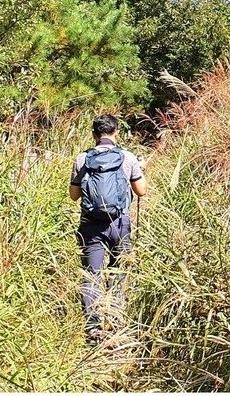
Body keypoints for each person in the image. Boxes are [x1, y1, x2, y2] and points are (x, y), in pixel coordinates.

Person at [69, 114, 146, 342]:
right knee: (118, 274)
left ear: (94, 135)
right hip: (120, 224)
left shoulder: (82, 159)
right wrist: (140, 168)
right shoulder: (127, 157)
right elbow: (141, 191)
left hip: (91, 226)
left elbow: (74, 195)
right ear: (116, 132)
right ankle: (114, 322)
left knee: (91, 275)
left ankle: (93, 330)